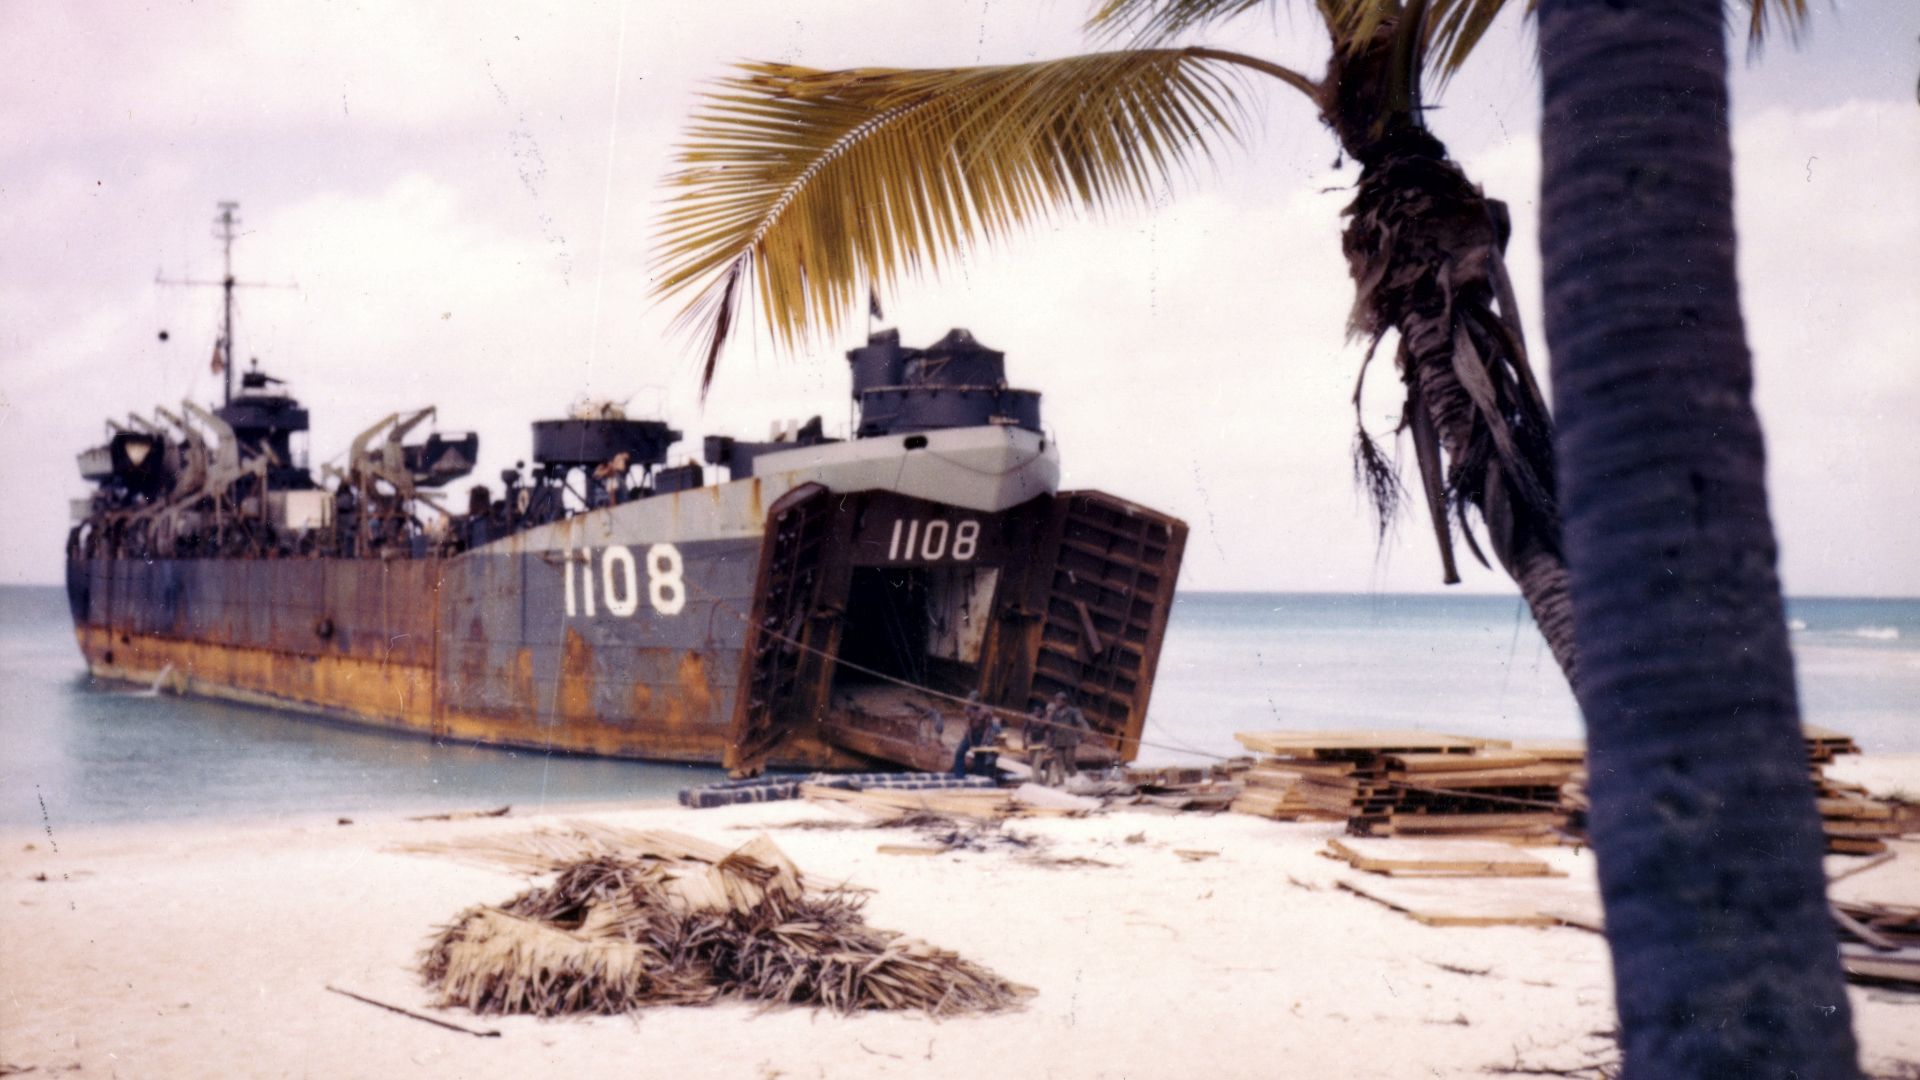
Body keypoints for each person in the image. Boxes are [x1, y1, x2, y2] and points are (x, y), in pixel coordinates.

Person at [1045, 691, 1090, 783]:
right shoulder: (1054, 713)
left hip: (1069, 740)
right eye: (1056, 701)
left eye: (1059, 701)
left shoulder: (1073, 711)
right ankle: (1061, 781)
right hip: (1058, 741)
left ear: (1064, 702)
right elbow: (1050, 729)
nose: (1057, 703)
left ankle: (1074, 779)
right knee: (1059, 761)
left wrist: (1085, 734)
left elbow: (1081, 722)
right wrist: (1049, 744)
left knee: (1069, 761)